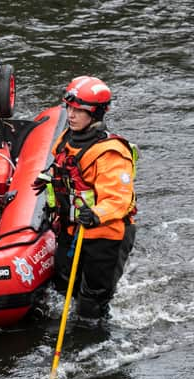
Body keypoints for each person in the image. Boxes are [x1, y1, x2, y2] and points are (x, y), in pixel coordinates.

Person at [33, 76, 137, 319]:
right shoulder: (65, 140)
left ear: (95, 114)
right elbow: (64, 170)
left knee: (92, 304)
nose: (71, 115)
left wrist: (96, 215)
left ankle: (93, 342)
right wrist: (48, 179)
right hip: (72, 230)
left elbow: (118, 199)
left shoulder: (110, 153)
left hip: (104, 236)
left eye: (78, 110)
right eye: (69, 108)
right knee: (62, 286)